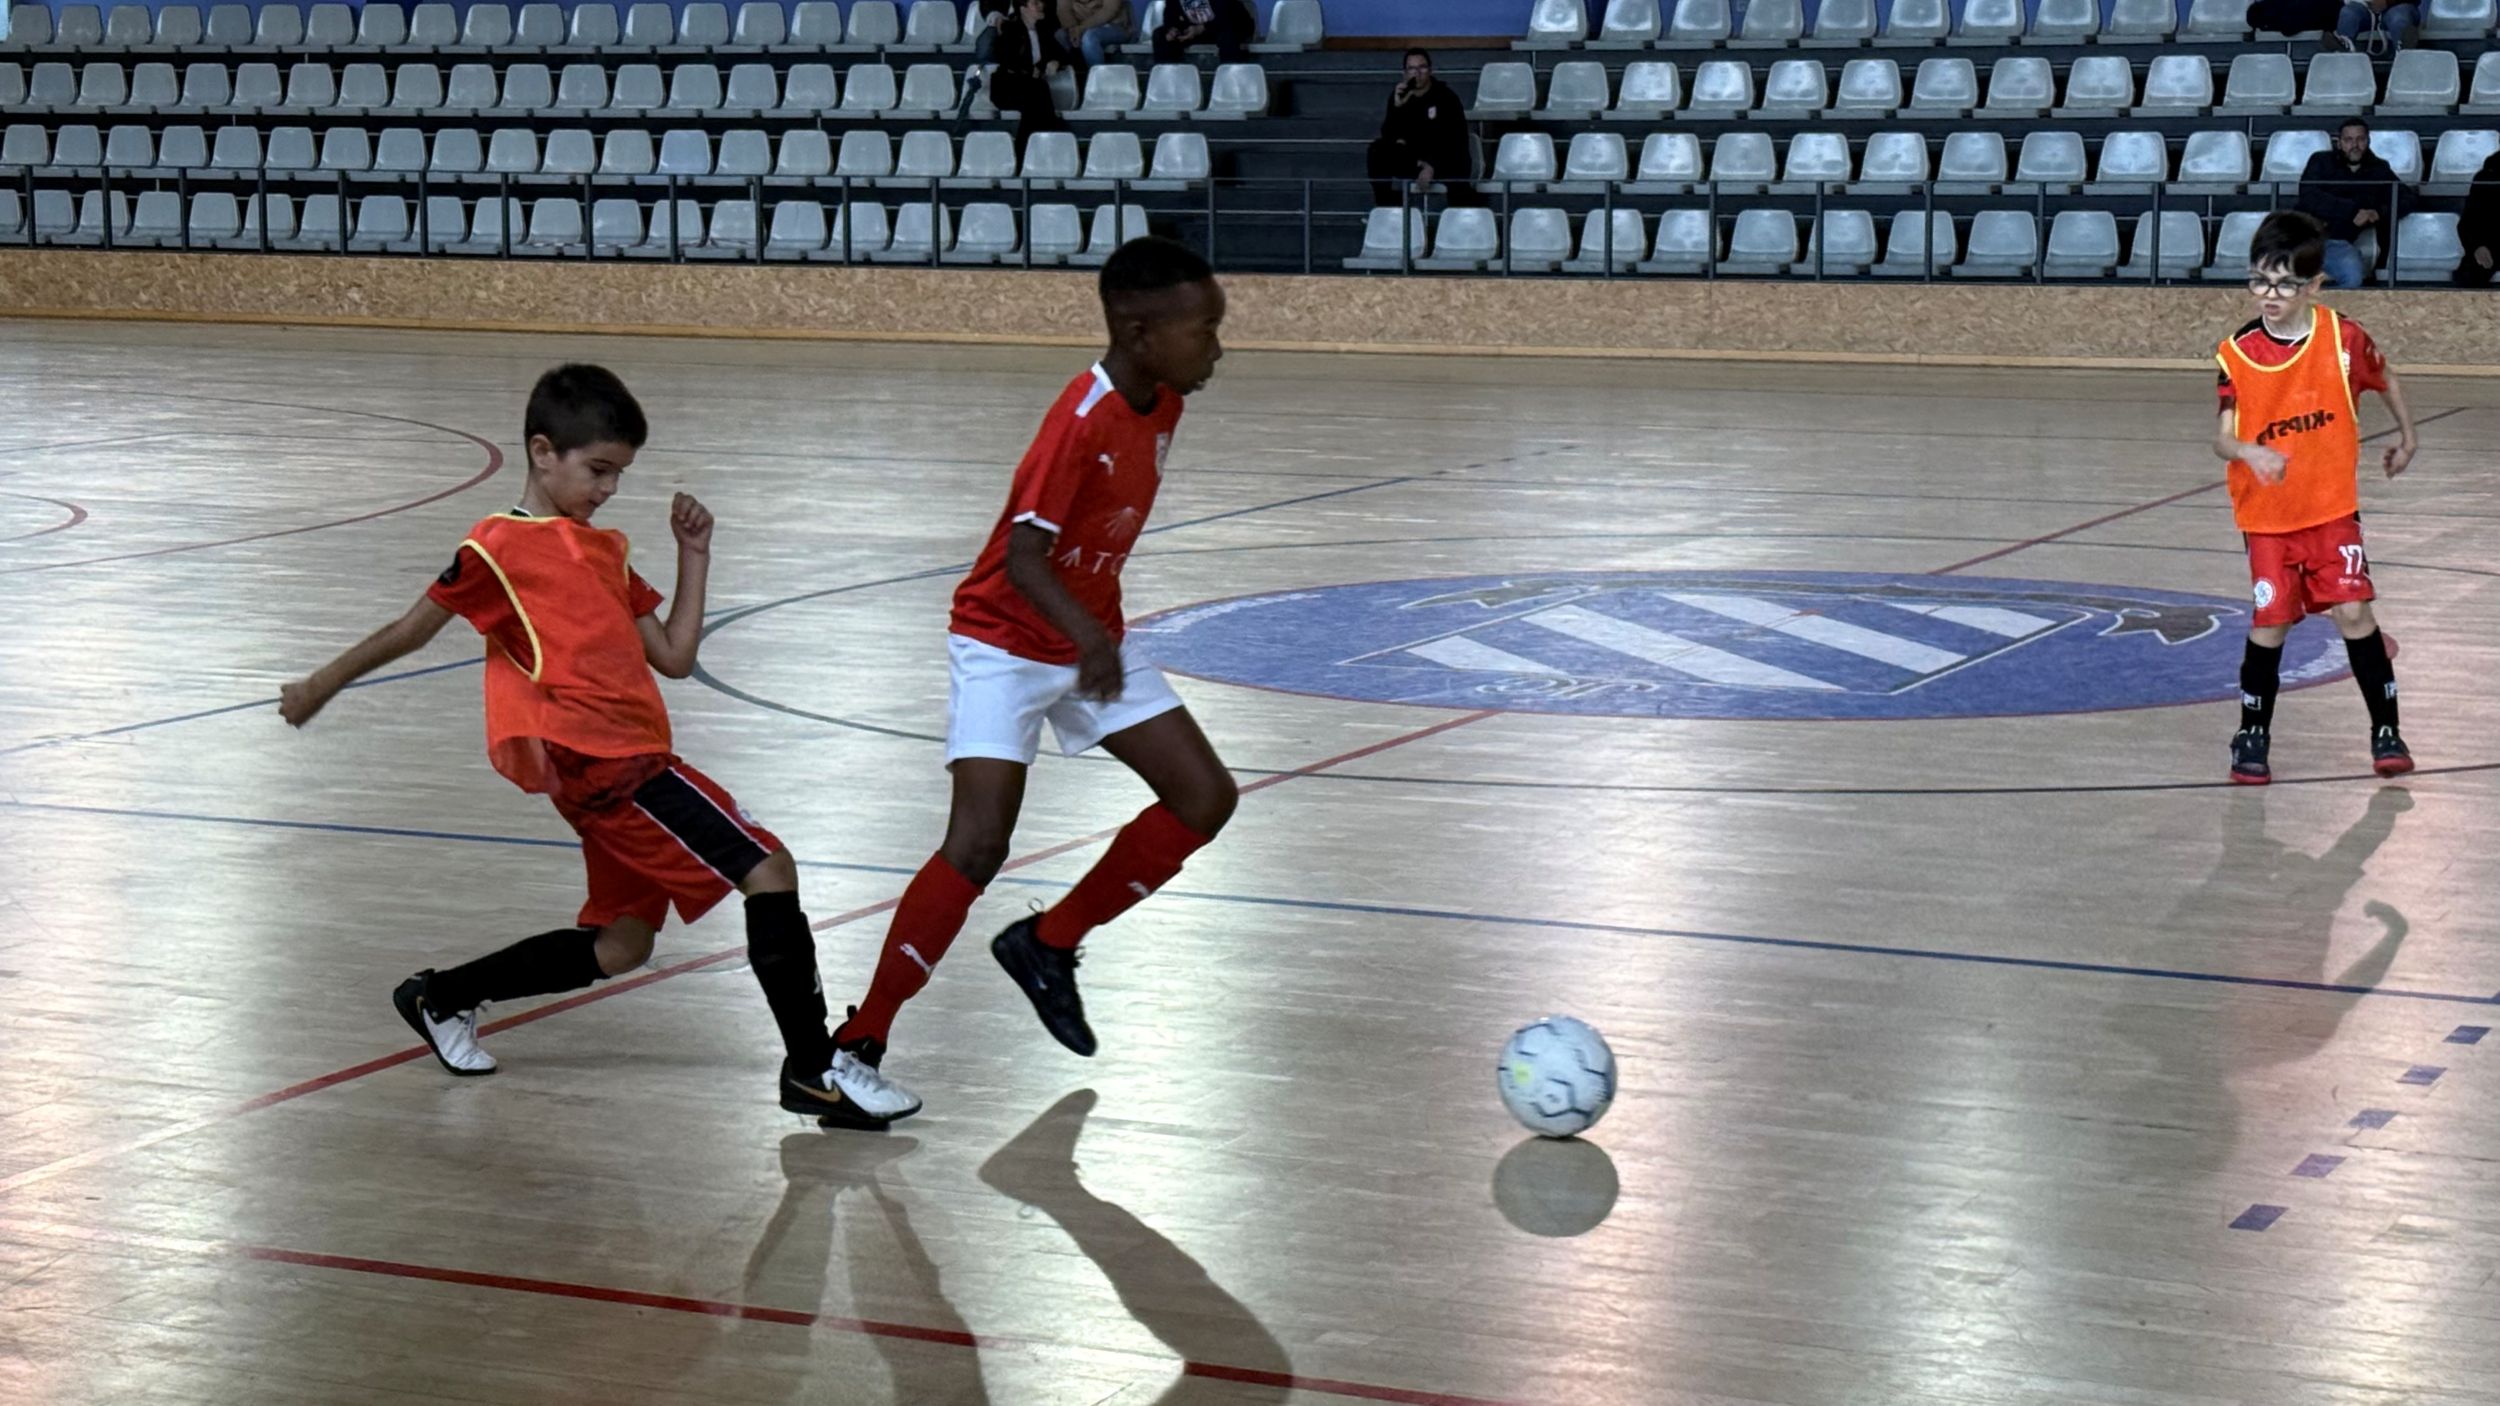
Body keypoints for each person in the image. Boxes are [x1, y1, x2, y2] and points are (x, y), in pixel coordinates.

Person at [276, 365, 920, 1131]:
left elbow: (675, 655)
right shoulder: (497, 548)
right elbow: (411, 630)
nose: (609, 489)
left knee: (621, 945)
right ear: (542, 452)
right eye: (599, 470)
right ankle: (813, 1071)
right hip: (613, 769)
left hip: (624, 763)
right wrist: (320, 684)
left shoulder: (604, 551)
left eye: (619, 474)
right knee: (769, 868)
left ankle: (440, 996)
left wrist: (694, 554)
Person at [833, 238, 1235, 1105]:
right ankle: (857, 1043)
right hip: (1005, 643)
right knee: (979, 844)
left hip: (1087, 639)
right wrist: (1089, 639)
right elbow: (1023, 558)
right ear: (1139, 333)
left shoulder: (1163, 400)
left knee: (1205, 797)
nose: (1217, 347)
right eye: (1204, 330)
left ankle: (1047, 943)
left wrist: (1092, 636)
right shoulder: (1079, 420)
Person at [2211, 211, 2419, 786]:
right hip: (2268, 517)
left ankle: (2387, 731)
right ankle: (2252, 733)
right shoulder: (2237, 353)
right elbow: (2221, 437)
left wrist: (2408, 437)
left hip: (2331, 509)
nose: (2269, 295)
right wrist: (2248, 451)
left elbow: (2386, 378)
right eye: (2259, 280)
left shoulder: (2343, 338)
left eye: (2284, 284)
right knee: (2272, 622)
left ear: (2315, 285)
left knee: (2354, 612)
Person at [2295, 119, 2408, 289]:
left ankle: (2327, 307)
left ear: (2368, 141)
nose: (2355, 145)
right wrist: (2352, 212)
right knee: (2281, 278)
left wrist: (2378, 212)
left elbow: (2407, 197)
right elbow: (2308, 195)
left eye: (2360, 139)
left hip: (2338, 243)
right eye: (2348, 140)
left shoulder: (2379, 169)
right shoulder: (2320, 160)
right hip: (2302, 239)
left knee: (2353, 279)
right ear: (2339, 143)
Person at [1367, 49, 1474, 208]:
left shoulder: (1446, 97)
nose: (1417, 73)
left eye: (1422, 67)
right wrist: (1397, 107)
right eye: (1411, 68)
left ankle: (1461, 215)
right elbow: (1389, 135)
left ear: (1430, 70)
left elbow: (1455, 140)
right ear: (1405, 73)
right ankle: (1387, 207)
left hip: (1444, 157)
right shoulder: (1400, 96)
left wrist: (1432, 166)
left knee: (1457, 165)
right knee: (1377, 150)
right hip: (1413, 159)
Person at [990, 0, 1072, 145]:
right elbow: (1005, 58)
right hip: (1007, 86)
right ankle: (1050, 130)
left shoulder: (1043, 30)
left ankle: (1027, 147)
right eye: (1035, 3)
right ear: (1023, 9)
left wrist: (1056, 61)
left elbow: (1062, 54)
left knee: (1034, 103)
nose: (1041, 5)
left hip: (1031, 88)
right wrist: (1028, 69)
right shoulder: (1010, 29)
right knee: (1037, 94)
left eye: (1041, 2)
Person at [2454, 149, 2500, 287]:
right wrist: (2477, 247)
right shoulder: (2486, 177)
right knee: (2469, 273)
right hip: (2492, 248)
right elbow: (2467, 223)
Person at [1152, 0, 1251, 62]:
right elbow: (1170, 13)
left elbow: (1227, 16)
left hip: (1227, 26)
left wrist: (1202, 28)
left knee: (1228, 37)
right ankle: (1171, 81)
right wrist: (1173, 29)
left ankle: (1231, 81)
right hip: (1194, 29)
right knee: (1160, 35)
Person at [1058, 0, 1134, 71]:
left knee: (1090, 37)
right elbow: (1063, 10)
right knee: (1060, 35)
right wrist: (1073, 30)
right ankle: (1072, 78)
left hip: (1115, 26)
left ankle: (1099, 78)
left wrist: (1082, 28)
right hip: (1079, 26)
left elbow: (1109, 10)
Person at [2330, 0, 2419, 51]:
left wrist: (2387, 2)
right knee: (2348, 14)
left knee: (2398, 18)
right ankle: (2342, 53)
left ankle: (2405, 54)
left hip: (2398, 6)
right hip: (2362, 8)